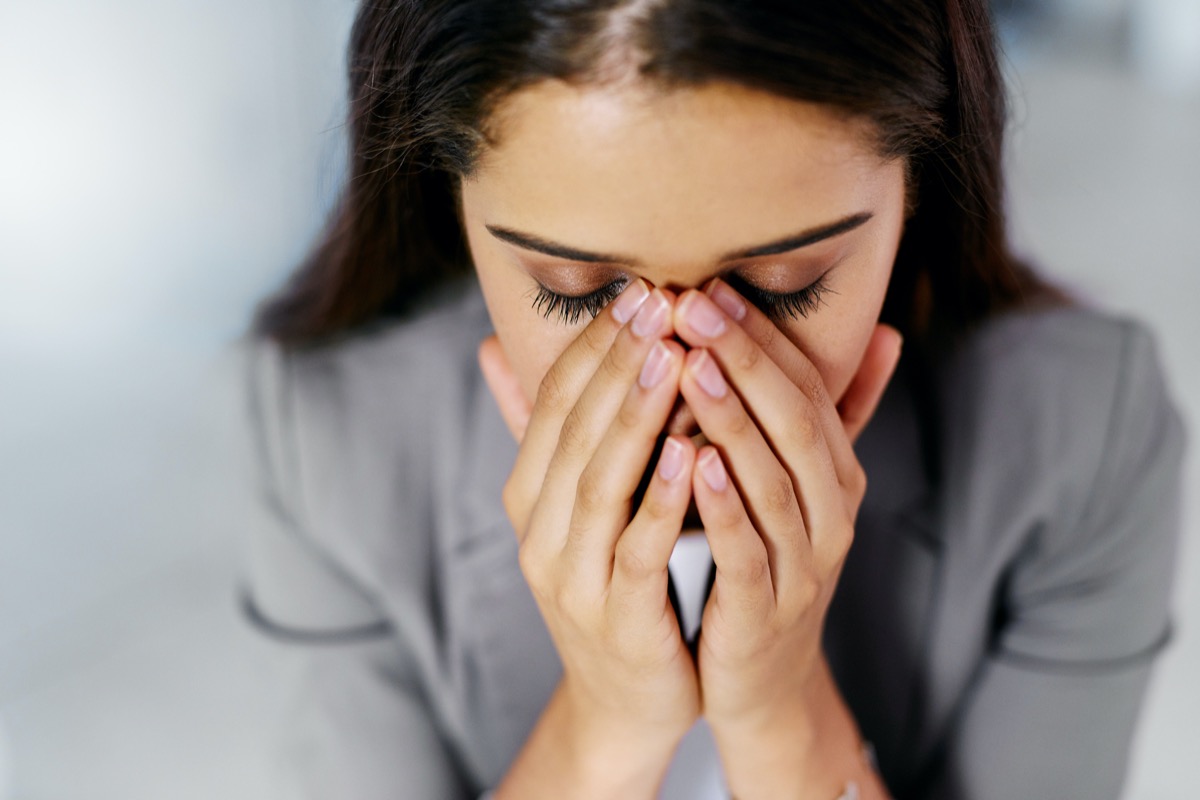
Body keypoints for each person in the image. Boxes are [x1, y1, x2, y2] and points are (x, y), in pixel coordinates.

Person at [237, 1, 1187, 798]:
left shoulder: (1082, 431)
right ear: (449, 201)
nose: (693, 374)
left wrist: (782, 707)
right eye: (576, 291)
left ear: (917, 193)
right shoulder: (328, 440)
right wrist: (603, 722)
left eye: (784, 283)